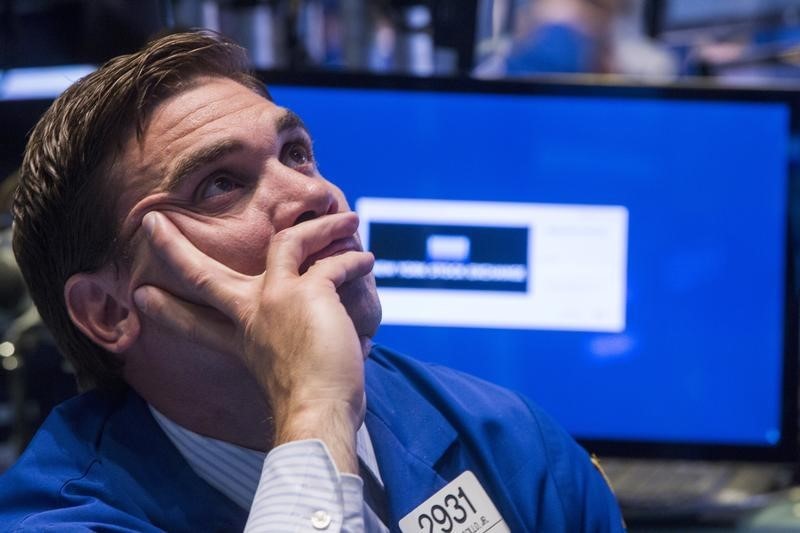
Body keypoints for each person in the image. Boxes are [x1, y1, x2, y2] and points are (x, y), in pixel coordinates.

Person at [0, 30, 624, 532]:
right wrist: (315, 410)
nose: (315, 194)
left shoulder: (509, 441)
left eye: (295, 152)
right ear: (108, 311)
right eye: (219, 185)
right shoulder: (61, 518)